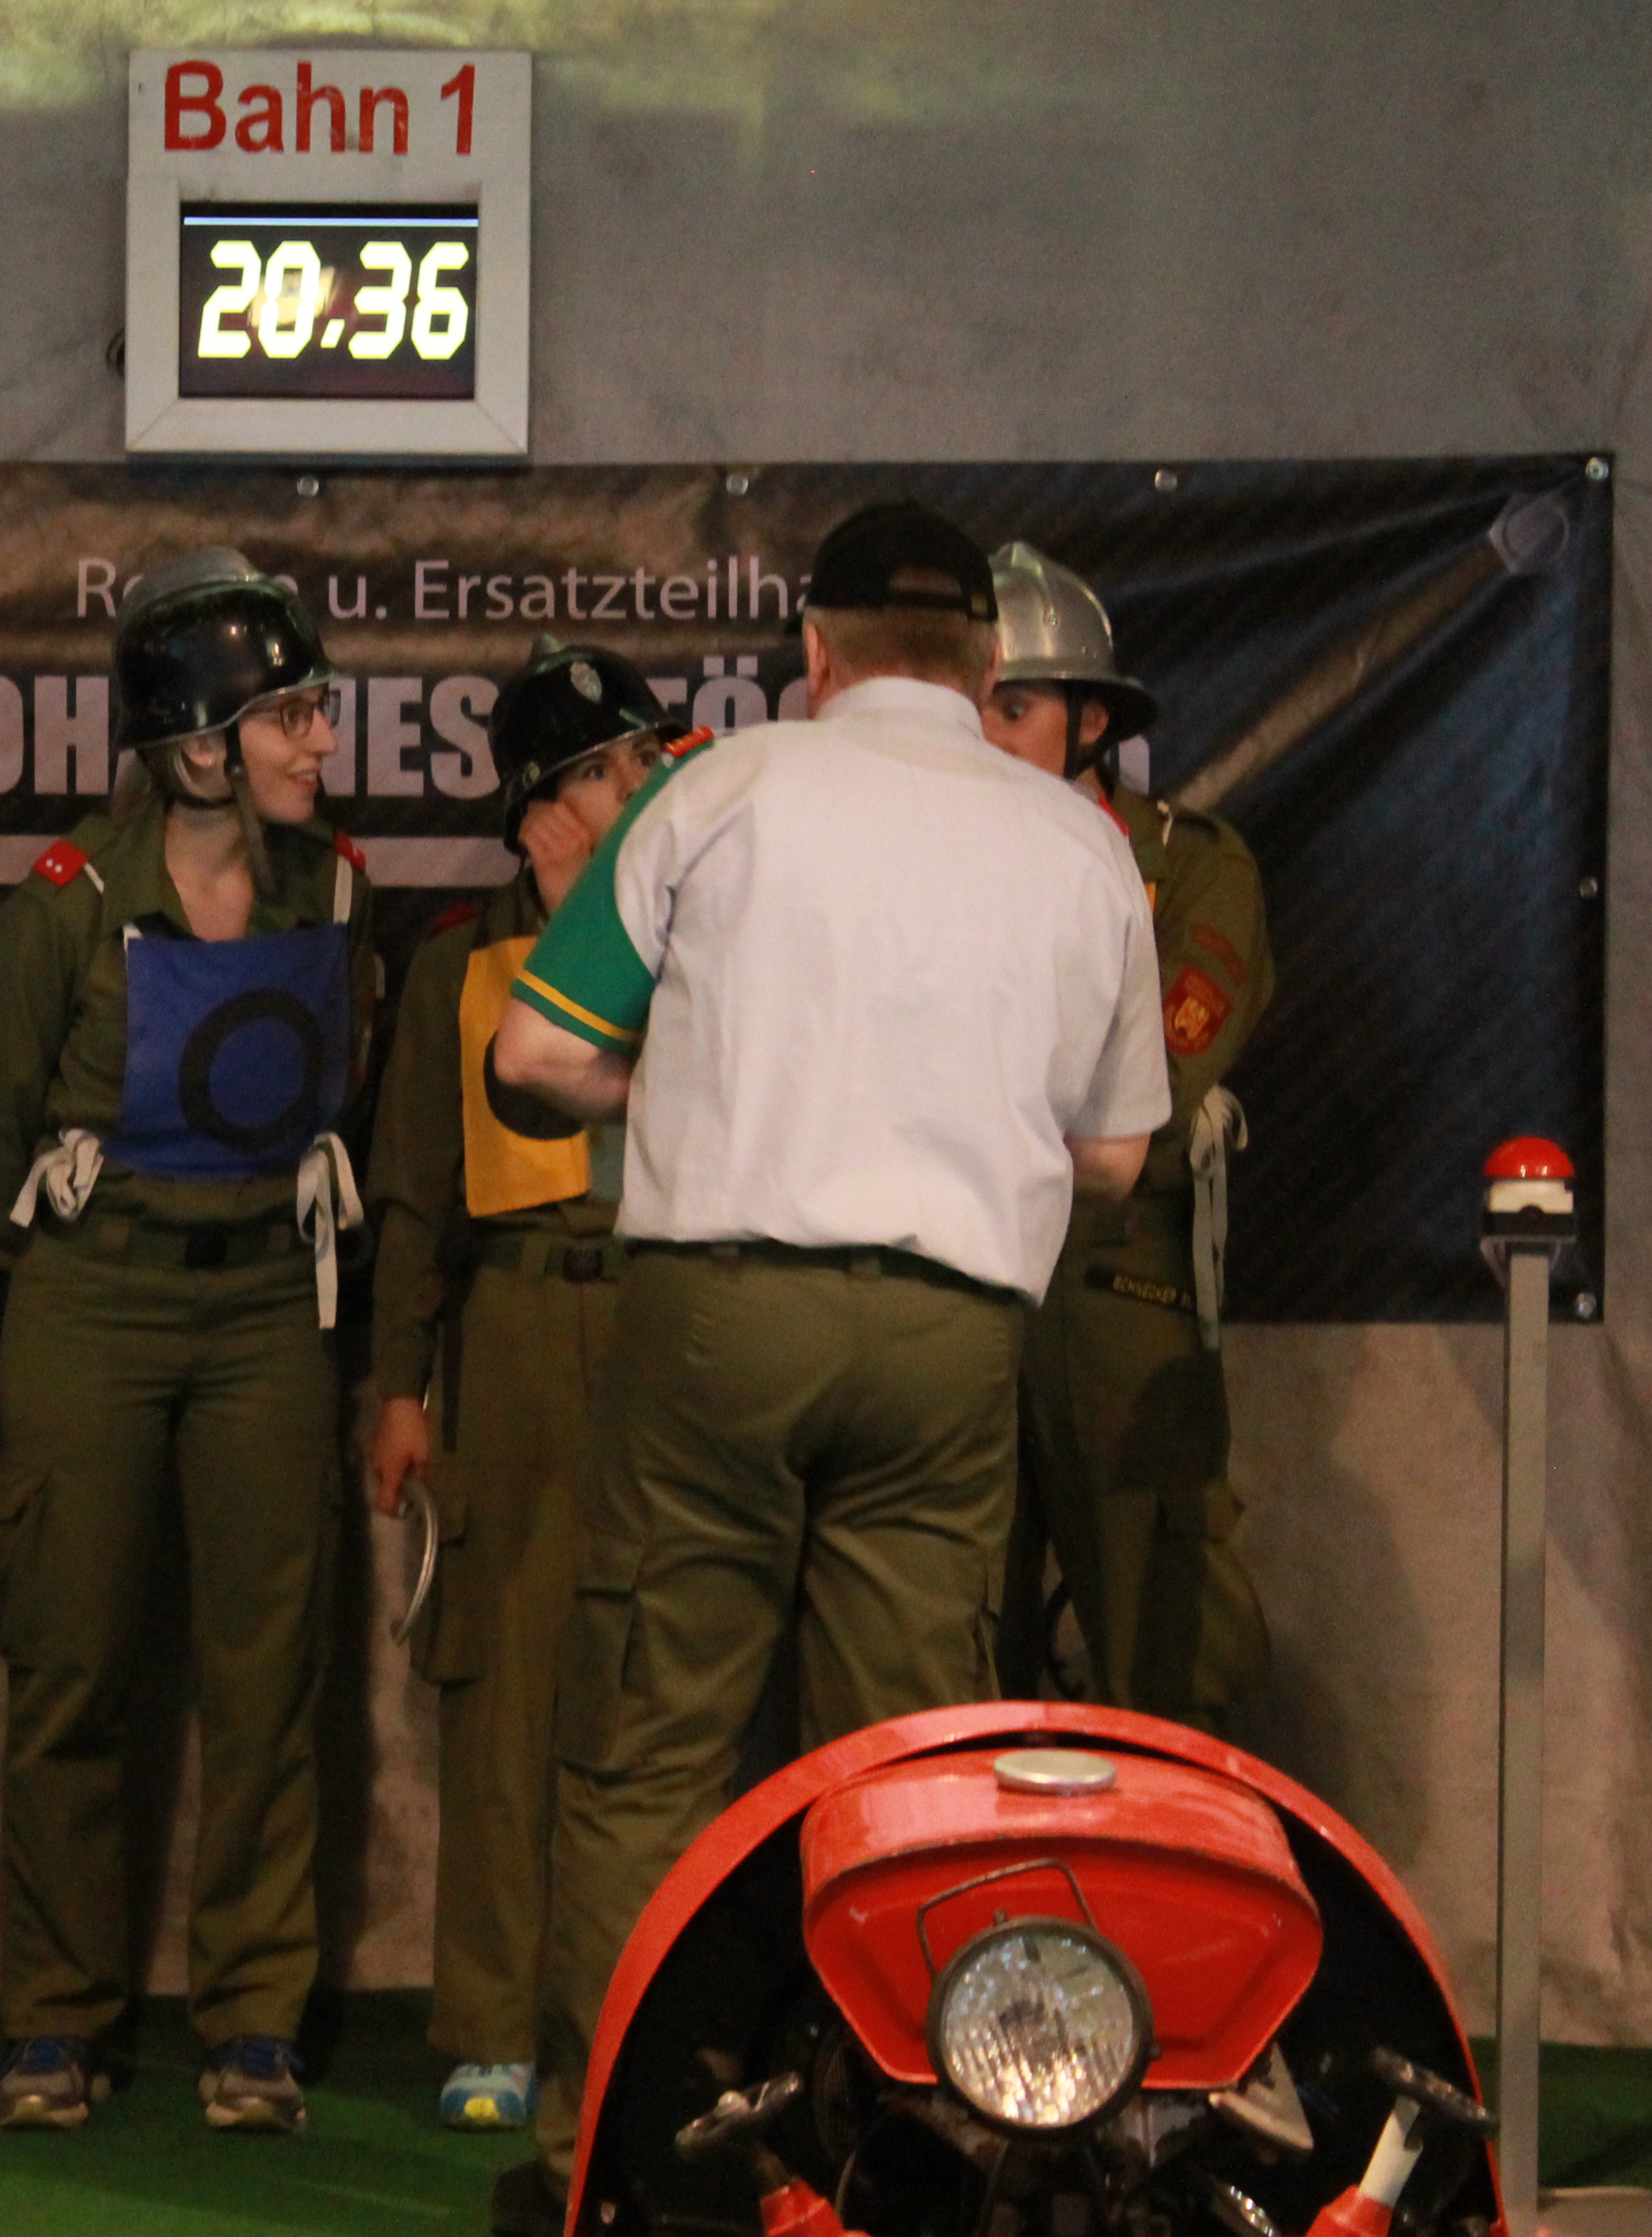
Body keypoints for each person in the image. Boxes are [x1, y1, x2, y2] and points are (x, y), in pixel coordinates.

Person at [482, 501, 1171, 2232]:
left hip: (720, 1322)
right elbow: (1115, 1157)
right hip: (953, 1335)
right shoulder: (1080, 845)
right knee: (910, 1775)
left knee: (650, 1748)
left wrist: (684, 1089)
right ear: (985, 663)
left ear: (815, 651)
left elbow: (532, 1055)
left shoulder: (719, 790)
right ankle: (893, 2177)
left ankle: (621, 2171)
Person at [0, 549, 375, 2138]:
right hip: (95, 1299)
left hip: (267, 1303)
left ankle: (253, 2017)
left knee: (269, 1675)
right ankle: (55, 2017)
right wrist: (80, 1270)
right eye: (290, 715)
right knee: (70, 1660)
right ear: (200, 747)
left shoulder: (335, 889)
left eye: (317, 710)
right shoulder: (66, 902)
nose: (320, 740)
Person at [362, 639, 675, 2134]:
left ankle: (636, 2017)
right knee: (503, 1695)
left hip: (671, 1321)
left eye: (647, 761)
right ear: (545, 804)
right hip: (518, 1326)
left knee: (655, 1690)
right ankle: (492, 2023)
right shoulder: (462, 966)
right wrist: (400, 1387)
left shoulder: (702, 939)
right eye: (611, 772)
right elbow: (414, 1197)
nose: (643, 788)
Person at [980, 542, 1275, 1726]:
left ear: (1091, 722)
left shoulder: (1186, 869)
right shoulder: (917, 875)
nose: (985, 736)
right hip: (962, 1277)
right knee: (946, 1668)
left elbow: (1156, 1084)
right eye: (970, 705)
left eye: (1015, 707)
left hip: (1115, 1283)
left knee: (1168, 1658)